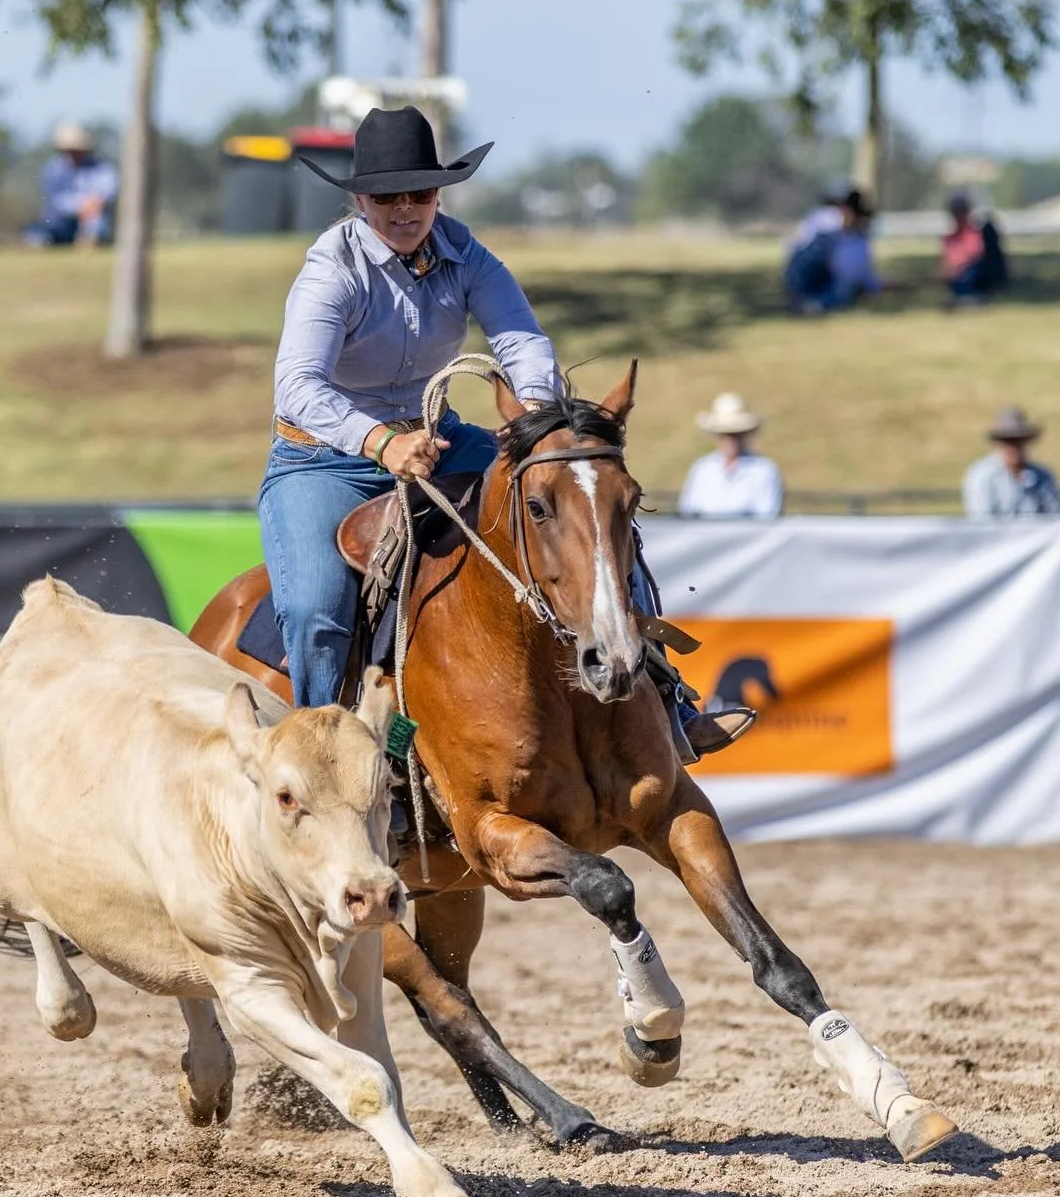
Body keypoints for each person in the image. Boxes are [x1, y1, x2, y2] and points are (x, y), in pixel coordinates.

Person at [264, 105, 752, 771]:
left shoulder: (466, 254)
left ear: (439, 194)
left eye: (422, 194)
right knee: (317, 606)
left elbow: (522, 342)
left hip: (433, 440)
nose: (406, 209)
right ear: (359, 199)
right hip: (322, 460)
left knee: (585, 512)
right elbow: (297, 387)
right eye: (388, 196)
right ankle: (324, 761)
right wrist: (382, 444)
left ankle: (671, 702)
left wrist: (537, 419)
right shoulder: (332, 269)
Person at [680, 393, 784, 519]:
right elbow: (689, 511)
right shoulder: (702, 469)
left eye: (737, 434)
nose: (731, 441)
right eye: (725, 435)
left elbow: (767, 515)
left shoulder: (764, 470)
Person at [785, 189, 887, 313]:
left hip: (831, 282)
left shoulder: (859, 240)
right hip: (803, 276)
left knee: (845, 287)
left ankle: (813, 304)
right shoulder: (823, 222)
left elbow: (857, 273)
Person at [25, 121, 118, 247]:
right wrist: (80, 206)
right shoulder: (53, 169)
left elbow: (108, 192)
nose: (74, 153)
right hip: (61, 220)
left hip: (91, 219)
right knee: (41, 232)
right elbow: (55, 199)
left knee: (98, 222)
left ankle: (91, 240)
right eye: (70, 150)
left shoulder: (102, 168)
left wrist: (94, 203)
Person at [962, 407, 1060, 518]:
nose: (1014, 448)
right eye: (1009, 441)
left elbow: (1054, 515)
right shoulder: (982, 475)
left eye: (1019, 441)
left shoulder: (1043, 477)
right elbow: (982, 520)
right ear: (999, 443)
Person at [940, 194, 1007, 305]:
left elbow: (974, 254)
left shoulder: (975, 233)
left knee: (969, 272)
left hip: (973, 273)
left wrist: (955, 267)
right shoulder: (950, 237)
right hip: (956, 276)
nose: (959, 215)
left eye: (961, 211)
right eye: (956, 211)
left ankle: (969, 298)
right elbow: (947, 260)